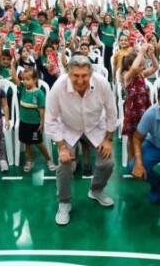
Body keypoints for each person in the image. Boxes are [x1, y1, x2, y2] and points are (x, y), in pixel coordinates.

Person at [45, 55, 118, 226]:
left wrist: (108, 139)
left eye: (84, 75)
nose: (80, 80)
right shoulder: (58, 87)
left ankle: (96, 190)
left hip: (95, 126)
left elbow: (112, 112)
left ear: (90, 73)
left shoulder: (102, 84)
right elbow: (50, 119)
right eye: (75, 75)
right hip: (68, 127)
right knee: (64, 166)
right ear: (68, 74)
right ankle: (64, 202)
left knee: (107, 162)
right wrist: (61, 147)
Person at [121, 44, 158, 164]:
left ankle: (140, 159)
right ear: (129, 66)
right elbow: (133, 69)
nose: (142, 67)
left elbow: (155, 67)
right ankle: (131, 161)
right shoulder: (127, 77)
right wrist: (141, 51)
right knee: (131, 137)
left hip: (144, 109)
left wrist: (151, 54)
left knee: (141, 135)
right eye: (140, 65)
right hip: (132, 111)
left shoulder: (141, 74)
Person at [15, 67, 56, 172]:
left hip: (34, 124)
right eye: (24, 79)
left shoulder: (39, 94)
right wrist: (12, 65)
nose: (25, 82)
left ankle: (48, 159)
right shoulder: (23, 89)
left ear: (34, 80)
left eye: (28, 79)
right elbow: (15, 79)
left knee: (38, 143)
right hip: (24, 123)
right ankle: (29, 160)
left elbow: (42, 110)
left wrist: (42, 122)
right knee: (27, 142)